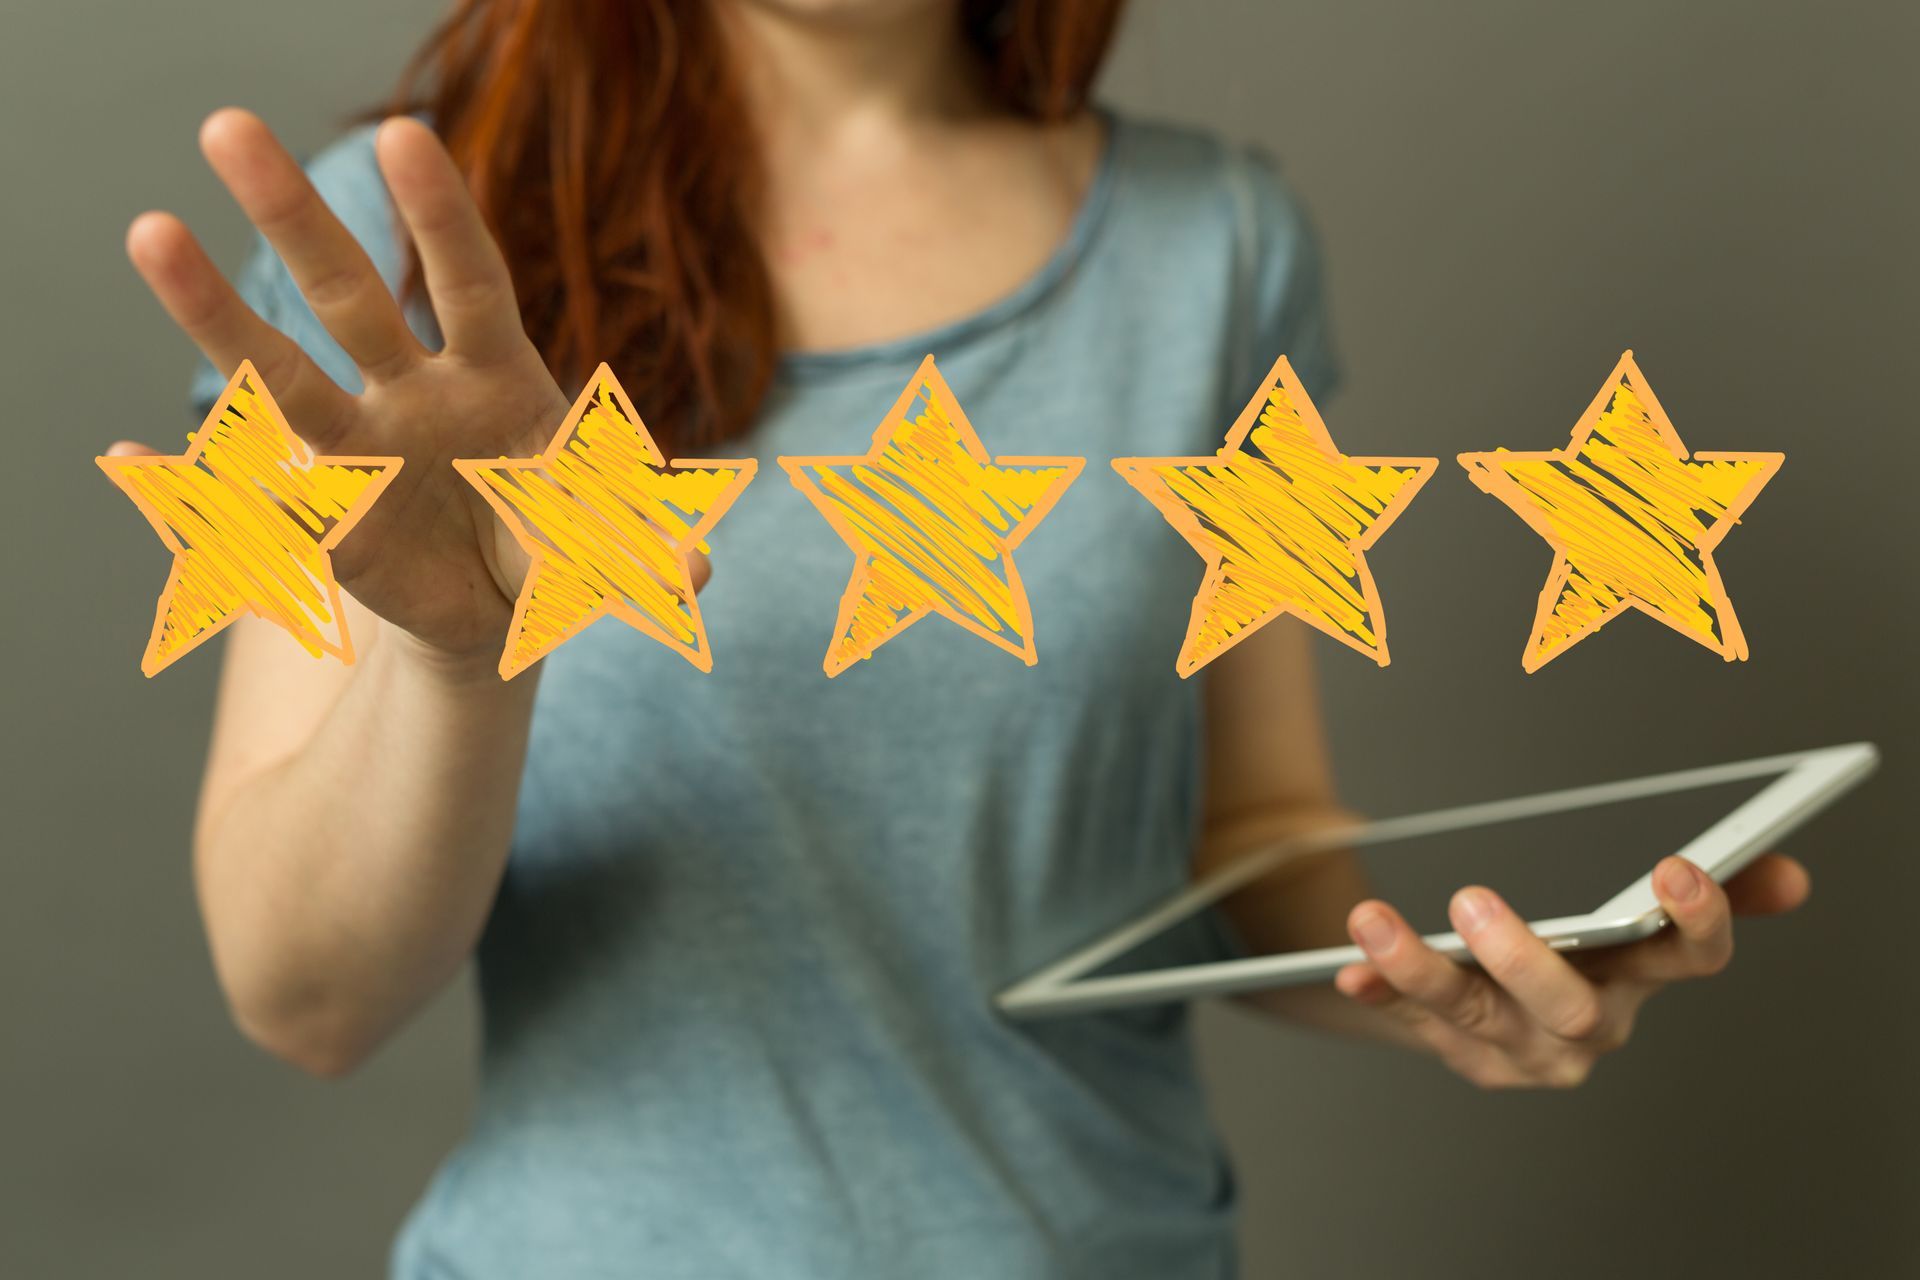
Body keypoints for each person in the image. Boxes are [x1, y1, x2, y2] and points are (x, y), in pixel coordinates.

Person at [104, 1, 1812, 1275]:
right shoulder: (392, 256)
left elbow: (1255, 840)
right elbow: (302, 996)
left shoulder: (1214, 248)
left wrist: (1463, 982)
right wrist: (465, 661)